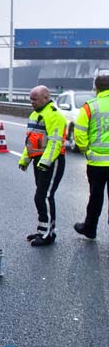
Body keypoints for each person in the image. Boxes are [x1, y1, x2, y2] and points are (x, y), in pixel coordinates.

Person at [18, 85, 67, 247]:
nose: (32, 102)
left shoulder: (54, 115)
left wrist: (45, 163)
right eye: (30, 99)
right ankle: (42, 230)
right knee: (41, 195)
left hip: (52, 161)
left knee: (43, 196)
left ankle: (48, 233)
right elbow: (31, 141)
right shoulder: (35, 114)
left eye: (35, 99)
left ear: (45, 98)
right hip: (39, 160)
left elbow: (55, 143)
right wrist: (25, 160)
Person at [73, 70, 109, 239]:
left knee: (95, 197)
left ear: (96, 88)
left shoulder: (90, 106)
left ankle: (90, 228)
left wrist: (87, 151)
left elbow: (79, 133)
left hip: (97, 164)